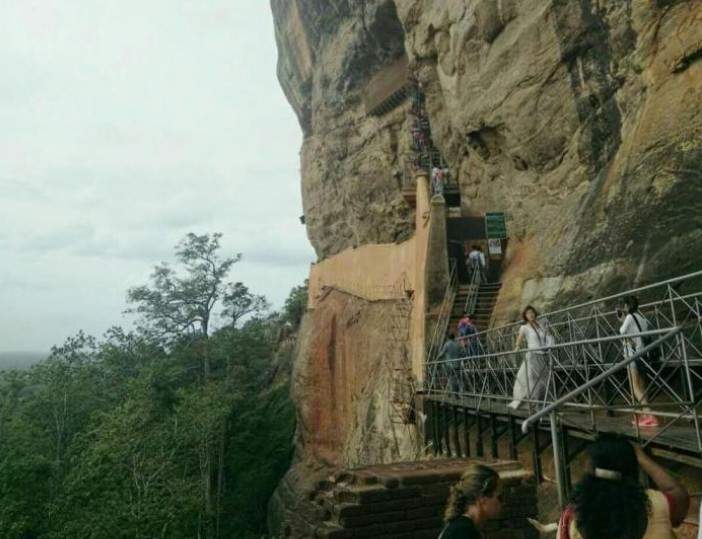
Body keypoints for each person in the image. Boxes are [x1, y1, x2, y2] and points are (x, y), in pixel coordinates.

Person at [557, 433, 689, 539]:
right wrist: (643, 459)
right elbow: (679, 494)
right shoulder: (656, 504)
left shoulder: (573, 515)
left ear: (591, 471)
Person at [617, 296, 658, 427]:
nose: (622, 307)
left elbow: (621, 331)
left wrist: (622, 320)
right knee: (641, 386)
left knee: (634, 387)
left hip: (632, 355)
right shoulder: (641, 318)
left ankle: (650, 415)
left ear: (627, 306)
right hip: (642, 354)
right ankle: (646, 415)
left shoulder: (629, 318)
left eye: (623, 305)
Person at [508, 305, 553, 410]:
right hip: (533, 355)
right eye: (528, 313)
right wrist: (517, 347)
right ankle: (535, 403)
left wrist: (547, 331)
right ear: (525, 316)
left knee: (545, 378)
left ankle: (544, 401)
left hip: (543, 354)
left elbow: (547, 337)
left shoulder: (540, 326)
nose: (531, 314)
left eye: (532, 312)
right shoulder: (524, 327)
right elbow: (519, 339)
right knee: (534, 379)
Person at [440, 464, 503, 539]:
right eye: (499, 497)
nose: (502, 502)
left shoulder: (461, 527)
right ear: (482, 498)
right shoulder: (463, 532)